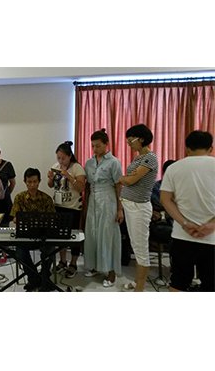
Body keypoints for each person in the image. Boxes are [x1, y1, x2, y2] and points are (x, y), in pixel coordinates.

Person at [160, 130, 215, 292]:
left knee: (178, 282)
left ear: (187, 149)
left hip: (182, 235)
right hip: (212, 238)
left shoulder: (174, 168)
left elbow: (165, 200)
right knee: (211, 285)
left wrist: (185, 223)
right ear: (210, 148)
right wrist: (211, 225)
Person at [118, 124, 158, 291]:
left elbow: (130, 180)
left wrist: (122, 178)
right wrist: (126, 178)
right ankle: (136, 282)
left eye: (131, 140)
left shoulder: (150, 158)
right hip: (130, 205)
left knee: (141, 249)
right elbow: (129, 178)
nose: (128, 143)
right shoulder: (138, 158)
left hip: (139, 207)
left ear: (141, 139)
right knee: (135, 245)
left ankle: (139, 289)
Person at [83, 129, 123, 287]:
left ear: (106, 144)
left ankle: (111, 272)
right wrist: (85, 205)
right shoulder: (89, 162)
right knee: (92, 234)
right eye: (93, 146)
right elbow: (87, 185)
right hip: (93, 200)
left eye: (98, 146)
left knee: (107, 235)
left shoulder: (114, 162)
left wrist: (119, 209)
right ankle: (94, 266)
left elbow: (119, 186)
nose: (95, 149)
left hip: (108, 200)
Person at [10, 168, 56, 291]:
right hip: (26, 235)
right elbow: (15, 218)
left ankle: (44, 277)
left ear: (39, 181)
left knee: (50, 249)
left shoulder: (46, 198)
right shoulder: (19, 198)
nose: (32, 185)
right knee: (20, 252)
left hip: (43, 235)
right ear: (25, 182)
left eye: (35, 181)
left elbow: (53, 220)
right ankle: (34, 278)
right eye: (29, 182)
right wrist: (19, 219)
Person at [47, 141, 86, 278]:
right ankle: (62, 261)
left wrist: (68, 176)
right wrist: (50, 178)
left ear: (70, 156)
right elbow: (51, 185)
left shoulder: (77, 168)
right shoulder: (55, 167)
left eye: (63, 158)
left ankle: (73, 263)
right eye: (58, 158)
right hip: (58, 207)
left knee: (74, 236)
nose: (60, 161)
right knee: (60, 236)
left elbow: (81, 188)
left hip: (73, 207)